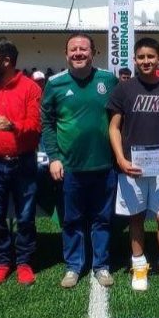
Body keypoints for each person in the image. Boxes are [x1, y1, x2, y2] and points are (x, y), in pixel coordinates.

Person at [41, 33, 118, 288]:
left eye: (83, 49)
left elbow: (121, 119)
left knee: (103, 219)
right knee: (72, 220)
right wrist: (53, 157)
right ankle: (73, 266)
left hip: (104, 165)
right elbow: (47, 123)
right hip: (70, 167)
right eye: (73, 49)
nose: (78, 53)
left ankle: (102, 265)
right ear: (66, 54)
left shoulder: (108, 80)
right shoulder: (55, 84)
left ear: (92, 53)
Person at [107, 37, 159, 291]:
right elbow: (114, 127)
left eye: (151, 56)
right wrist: (120, 158)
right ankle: (139, 265)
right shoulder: (124, 89)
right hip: (133, 165)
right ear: (134, 59)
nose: (146, 61)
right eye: (141, 57)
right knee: (136, 218)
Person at [0, 38, 42, 286]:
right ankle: (2, 262)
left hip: (23, 163)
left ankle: (24, 262)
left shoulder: (29, 88)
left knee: (25, 216)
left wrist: (14, 126)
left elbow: (35, 127)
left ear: (6, 61)